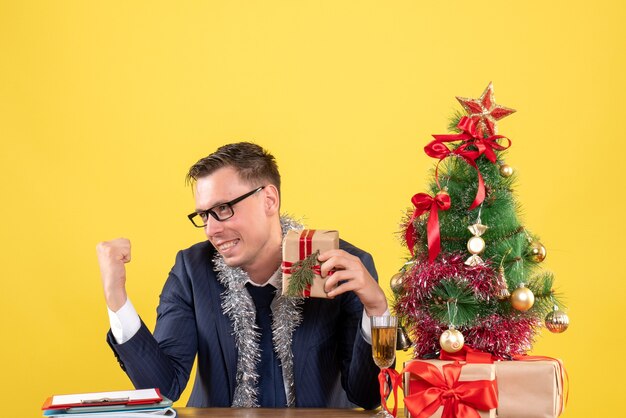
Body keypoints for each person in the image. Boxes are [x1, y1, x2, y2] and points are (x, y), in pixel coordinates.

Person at [96, 142, 388, 409]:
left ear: (269, 200)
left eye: (223, 209)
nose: (211, 230)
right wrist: (116, 297)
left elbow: (368, 397)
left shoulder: (340, 266)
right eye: (204, 215)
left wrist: (377, 311)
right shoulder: (192, 269)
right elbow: (163, 389)